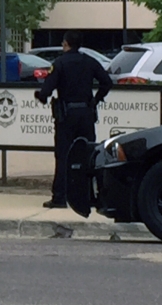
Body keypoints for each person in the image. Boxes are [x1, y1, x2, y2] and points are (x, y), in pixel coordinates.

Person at [34, 30, 112, 208]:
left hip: (67, 116)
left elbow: (46, 90)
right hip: (86, 114)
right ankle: (87, 196)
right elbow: (106, 82)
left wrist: (40, 95)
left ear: (66, 44)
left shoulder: (60, 63)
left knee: (63, 155)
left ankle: (60, 197)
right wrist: (95, 101)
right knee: (87, 154)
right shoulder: (89, 61)